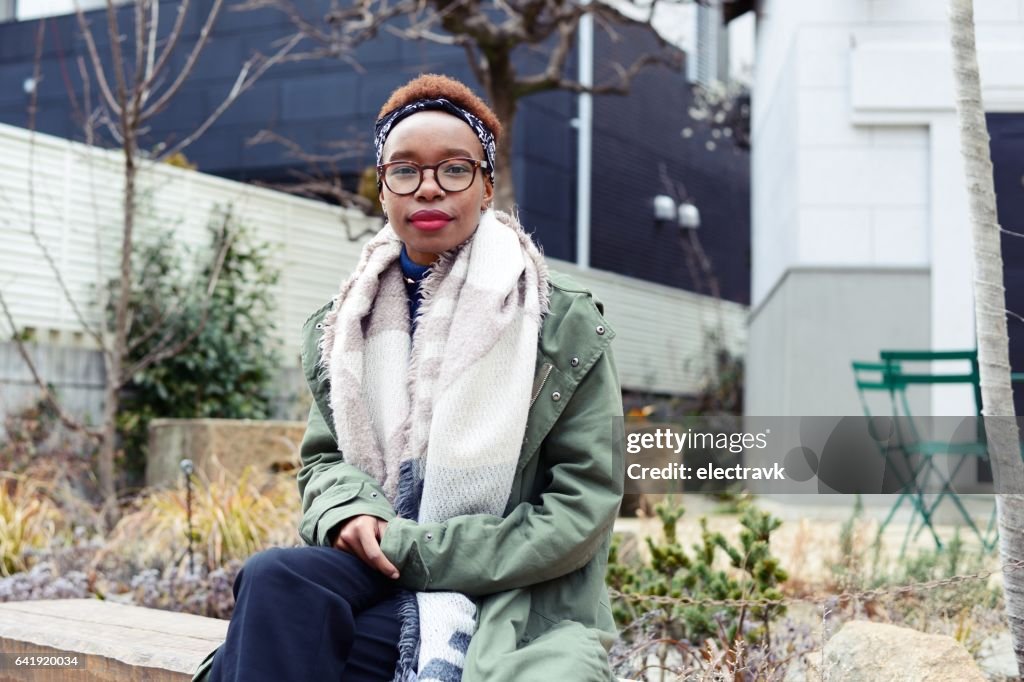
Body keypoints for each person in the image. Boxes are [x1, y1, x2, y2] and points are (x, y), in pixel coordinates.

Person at [192, 73, 624, 682]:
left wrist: (412, 550)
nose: (429, 189)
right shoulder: (346, 322)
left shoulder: (558, 323)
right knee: (275, 577)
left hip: (509, 592)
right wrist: (349, 514)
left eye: (454, 169)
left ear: (486, 185)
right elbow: (323, 463)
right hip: (378, 563)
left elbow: (582, 508)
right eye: (404, 170)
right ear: (382, 188)